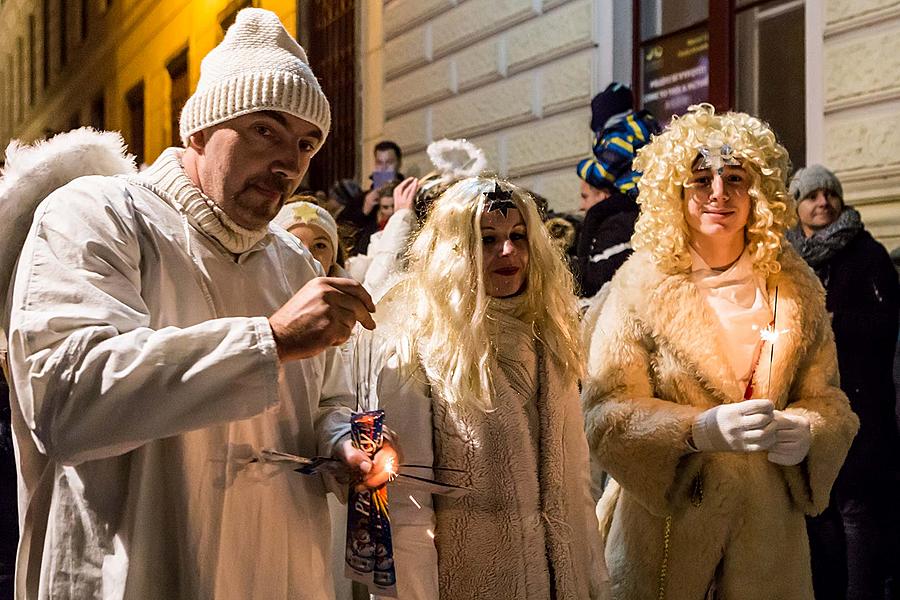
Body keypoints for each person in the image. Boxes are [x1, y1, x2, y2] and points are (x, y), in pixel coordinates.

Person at [0, 9, 395, 599]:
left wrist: (346, 444)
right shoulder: (96, 214)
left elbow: (326, 399)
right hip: (140, 571)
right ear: (201, 130)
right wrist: (270, 341)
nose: (289, 161)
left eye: (307, 143)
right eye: (266, 129)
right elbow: (67, 399)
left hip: (277, 573)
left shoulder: (292, 262)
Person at [584, 104, 859, 599]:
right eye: (700, 180)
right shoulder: (640, 288)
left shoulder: (795, 288)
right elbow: (605, 415)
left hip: (767, 539)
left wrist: (806, 434)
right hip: (666, 537)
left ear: (759, 192)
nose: (719, 194)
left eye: (735, 178)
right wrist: (696, 430)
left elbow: (830, 403)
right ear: (675, 192)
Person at [369, 177, 606, 599]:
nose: (508, 252)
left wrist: (592, 581)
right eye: (487, 239)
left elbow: (577, 487)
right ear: (456, 251)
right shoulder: (416, 347)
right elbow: (407, 509)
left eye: (518, 236)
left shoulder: (552, 338)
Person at [786, 164, 900, 600]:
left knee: (856, 508)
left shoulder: (867, 253)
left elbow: (885, 323)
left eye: (829, 194)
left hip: (861, 403)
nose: (822, 202)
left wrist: (834, 324)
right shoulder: (789, 256)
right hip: (809, 401)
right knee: (820, 506)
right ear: (796, 205)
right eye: (811, 196)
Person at [574, 82, 659, 299]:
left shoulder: (620, 134)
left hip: (633, 192)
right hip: (650, 192)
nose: (581, 204)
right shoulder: (644, 126)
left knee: (595, 214)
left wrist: (583, 166)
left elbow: (604, 173)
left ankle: (582, 263)